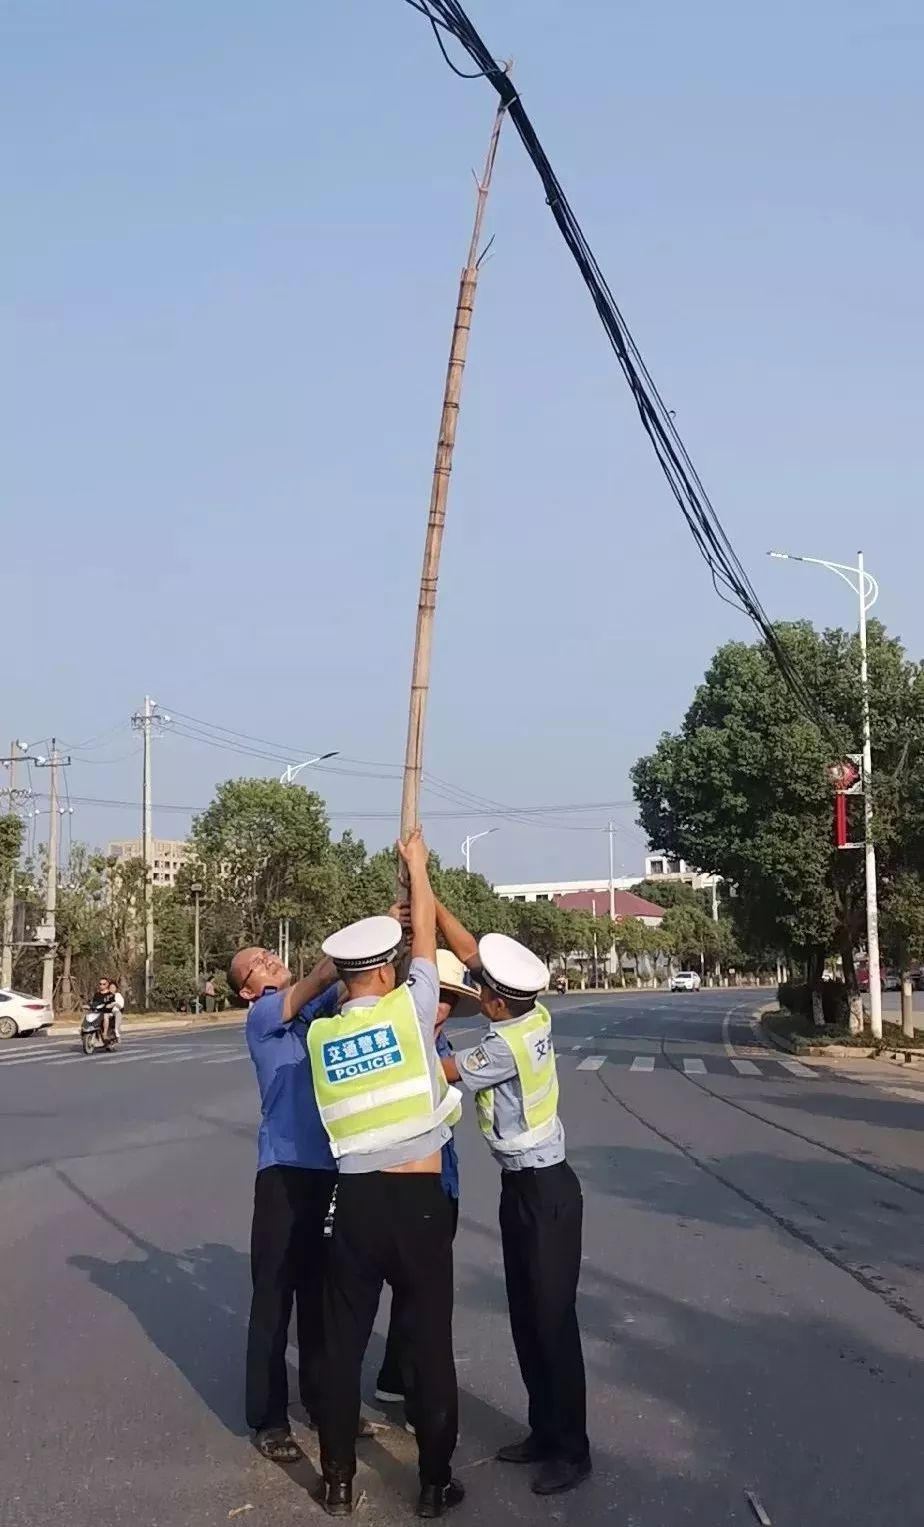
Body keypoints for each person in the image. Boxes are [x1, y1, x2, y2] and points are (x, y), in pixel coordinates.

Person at [308, 831, 463, 1519]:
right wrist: (418, 869)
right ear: (384, 972)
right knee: (429, 1344)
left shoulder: (321, 1035)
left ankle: (338, 1480)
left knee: (341, 1347)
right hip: (420, 1199)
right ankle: (434, 1482)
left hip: (356, 1202)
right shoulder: (412, 1009)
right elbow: (428, 937)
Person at [436, 902, 591, 1497]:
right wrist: (431, 895)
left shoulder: (502, 1049)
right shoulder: (532, 1012)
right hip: (522, 1187)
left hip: (545, 1192)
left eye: (479, 991)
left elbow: (445, 1070)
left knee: (553, 1321)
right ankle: (544, 1431)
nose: (474, 991)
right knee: (527, 1317)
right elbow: (475, 953)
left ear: (497, 1003)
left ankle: (572, 1450)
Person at [229, 943, 373, 1463]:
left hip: (334, 1168)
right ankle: (268, 1419)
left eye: (268, 953)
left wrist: (392, 921)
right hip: (284, 1174)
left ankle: (323, 1403)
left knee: (322, 1298)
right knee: (274, 1297)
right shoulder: (264, 1015)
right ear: (247, 988)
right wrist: (360, 939)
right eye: (257, 965)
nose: (267, 961)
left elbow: (359, 977)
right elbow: (321, 976)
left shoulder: (317, 1014)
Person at [374, 948, 481, 1424]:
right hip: (397, 1185)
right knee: (417, 1296)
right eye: (435, 996)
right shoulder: (399, 1045)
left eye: (448, 1001)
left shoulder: (445, 1049)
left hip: (443, 1182)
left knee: (416, 1294)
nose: (439, 1007)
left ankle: (396, 1378)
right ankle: (419, 1399)